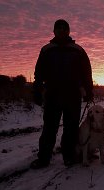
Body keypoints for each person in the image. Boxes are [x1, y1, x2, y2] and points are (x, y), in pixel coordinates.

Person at [31, 19, 93, 169]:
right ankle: (44, 158)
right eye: (58, 28)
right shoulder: (46, 49)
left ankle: (69, 156)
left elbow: (87, 73)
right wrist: (37, 92)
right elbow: (38, 74)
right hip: (53, 95)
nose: (61, 30)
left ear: (68, 31)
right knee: (49, 128)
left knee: (71, 128)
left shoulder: (78, 50)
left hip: (73, 96)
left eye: (64, 28)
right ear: (54, 31)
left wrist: (89, 92)